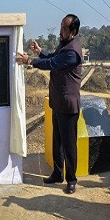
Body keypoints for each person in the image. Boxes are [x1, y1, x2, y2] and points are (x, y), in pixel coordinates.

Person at [17, 14, 83, 194]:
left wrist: (30, 61)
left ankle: (71, 179)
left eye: (64, 28)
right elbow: (53, 56)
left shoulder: (72, 51)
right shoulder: (65, 44)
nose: (60, 30)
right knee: (57, 141)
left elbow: (53, 63)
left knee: (69, 145)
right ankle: (57, 173)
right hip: (58, 101)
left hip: (68, 105)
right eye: (61, 26)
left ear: (73, 31)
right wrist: (39, 51)